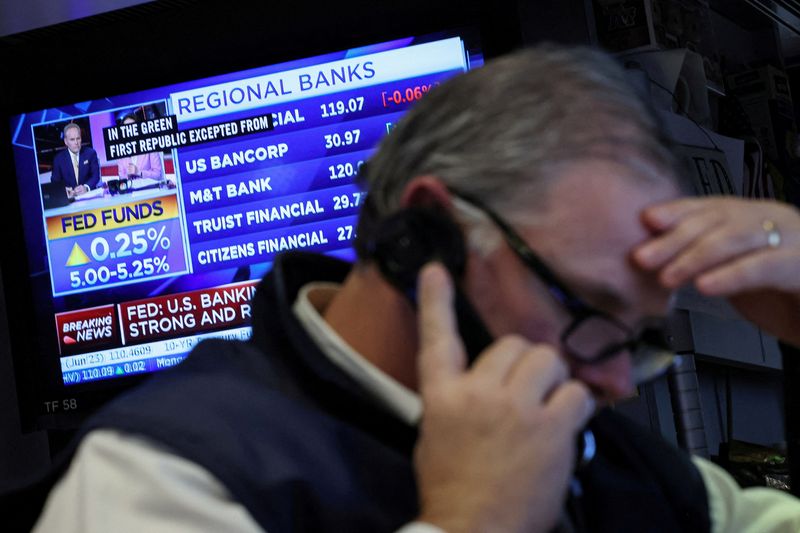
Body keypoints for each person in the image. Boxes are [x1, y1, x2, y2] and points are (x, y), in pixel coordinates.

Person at [29, 44, 800, 532]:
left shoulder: (606, 457)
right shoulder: (162, 475)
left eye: (637, 341)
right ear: (428, 233)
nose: (613, 382)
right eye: (590, 313)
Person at [50, 123, 100, 195]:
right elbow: (55, 183)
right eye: (72, 140)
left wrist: (86, 187)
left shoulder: (90, 153)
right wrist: (64, 191)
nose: (76, 142)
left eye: (78, 138)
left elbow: (95, 175)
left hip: (89, 195)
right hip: (70, 200)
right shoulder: (58, 159)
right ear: (66, 141)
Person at [116, 114, 163, 182]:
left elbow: (158, 174)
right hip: (131, 190)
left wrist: (139, 172)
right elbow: (121, 176)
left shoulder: (150, 146)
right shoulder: (121, 151)